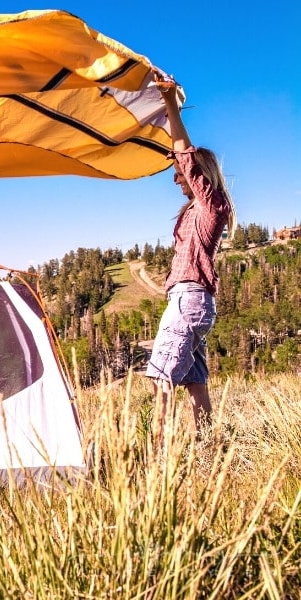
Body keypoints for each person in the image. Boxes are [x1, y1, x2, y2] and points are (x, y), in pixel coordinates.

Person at [145, 77, 235, 443]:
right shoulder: (198, 210)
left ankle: (156, 461)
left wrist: (170, 104)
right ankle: (208, 448)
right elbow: (182, 157)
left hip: (190, 301)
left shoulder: (212, 204)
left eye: (180, 173)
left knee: (160, 379)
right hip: (190, 301)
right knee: (194, 383)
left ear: (197, 173)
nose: (175, 179)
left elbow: (184, 151)